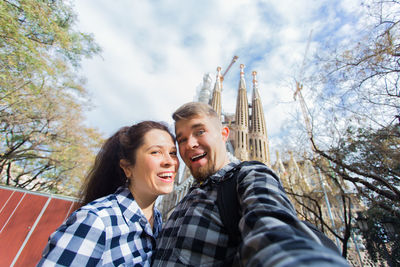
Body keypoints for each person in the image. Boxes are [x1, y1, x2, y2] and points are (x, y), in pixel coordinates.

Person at [152, 102, 350, 266]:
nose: (190, 144)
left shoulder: (248, 176)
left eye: (200, 131)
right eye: (182, 139)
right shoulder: (185, 198)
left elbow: (273, 229)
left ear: (224, 134)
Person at [38, 121, 179, 267]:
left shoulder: (158, 224)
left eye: (173, 153)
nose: (170, 161)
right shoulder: (96, 221)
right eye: (155, 152)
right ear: (127, 167)